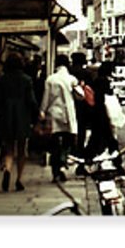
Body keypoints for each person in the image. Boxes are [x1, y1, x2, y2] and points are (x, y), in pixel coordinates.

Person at [0, 52, 38, 192]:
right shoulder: (26, 80)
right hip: (22, 116)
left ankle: (7, 170)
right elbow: (31, 101)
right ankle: (19, 179)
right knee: (22, 149)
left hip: (6, 116)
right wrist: (37, 115)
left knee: (9, 148)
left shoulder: (2, 80)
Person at [40, 54, 79, 182]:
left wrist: (42, 111)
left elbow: (46, 97)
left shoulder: (50, 79)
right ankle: (62, 163)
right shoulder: (72, 79)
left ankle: (55, 170)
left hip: (53, 114)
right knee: (67, 142)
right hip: (68, 114)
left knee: (54, 143)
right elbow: (82, 96)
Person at [85, 61, 124, 171]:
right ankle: (117, 163)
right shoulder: (104, 81)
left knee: (97, 140)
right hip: (102, 115)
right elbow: (105, 99)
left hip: (97, 114)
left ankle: (86, 162)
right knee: (109, 140)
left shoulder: (97, 80)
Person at [69, 53, 94, 162]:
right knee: (82, 127)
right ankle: (80, 148)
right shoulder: (87, 73)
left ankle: (71, 148)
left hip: (71, 102)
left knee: (71, 127)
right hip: (83, 105)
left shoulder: (69, 72)